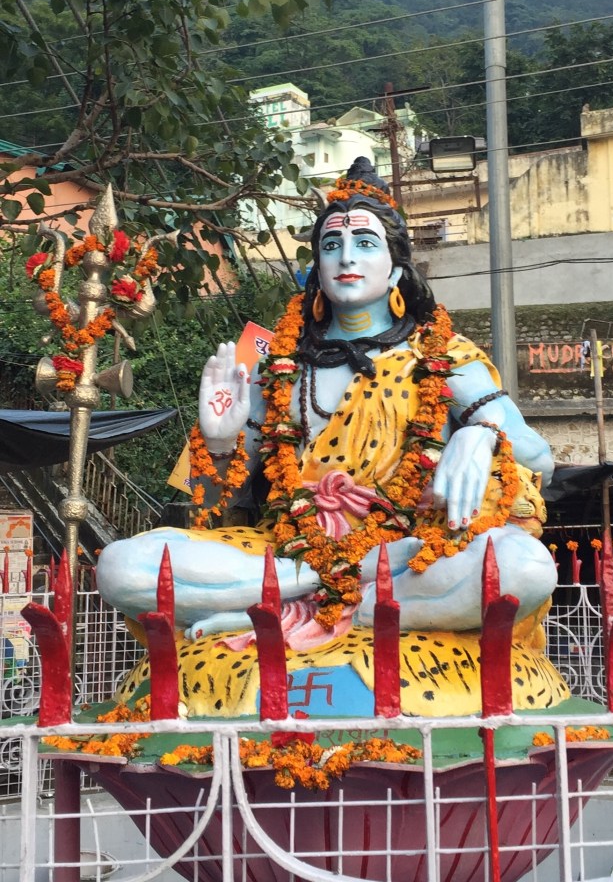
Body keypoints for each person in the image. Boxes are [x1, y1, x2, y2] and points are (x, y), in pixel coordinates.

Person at [96, 158, 557, 650]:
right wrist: (219, 441)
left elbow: (539, 459)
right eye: (331, 245)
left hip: (407, 553)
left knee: (523, 567)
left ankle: (320, 608)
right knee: (122, 567)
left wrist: (478, 434)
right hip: (287, 553)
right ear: (317, 266)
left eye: (365, 243)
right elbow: (210, 501)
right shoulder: (274, 365)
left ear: (397, 266)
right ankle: (318, 589)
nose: (345, 258)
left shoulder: (442, 355)